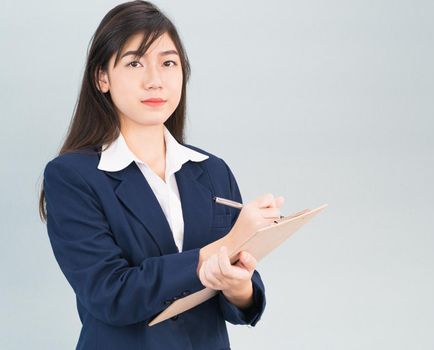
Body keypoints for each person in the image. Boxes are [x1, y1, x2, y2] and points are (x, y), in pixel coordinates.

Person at [38, 1, 284, 349]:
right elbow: (110, 294)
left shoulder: (212, 171)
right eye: (135, 63)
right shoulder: (72, 177)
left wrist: (238, 286)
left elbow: (240, 300)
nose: (155, 80)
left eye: (168, 63)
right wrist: (220, 250)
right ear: (102, 78)